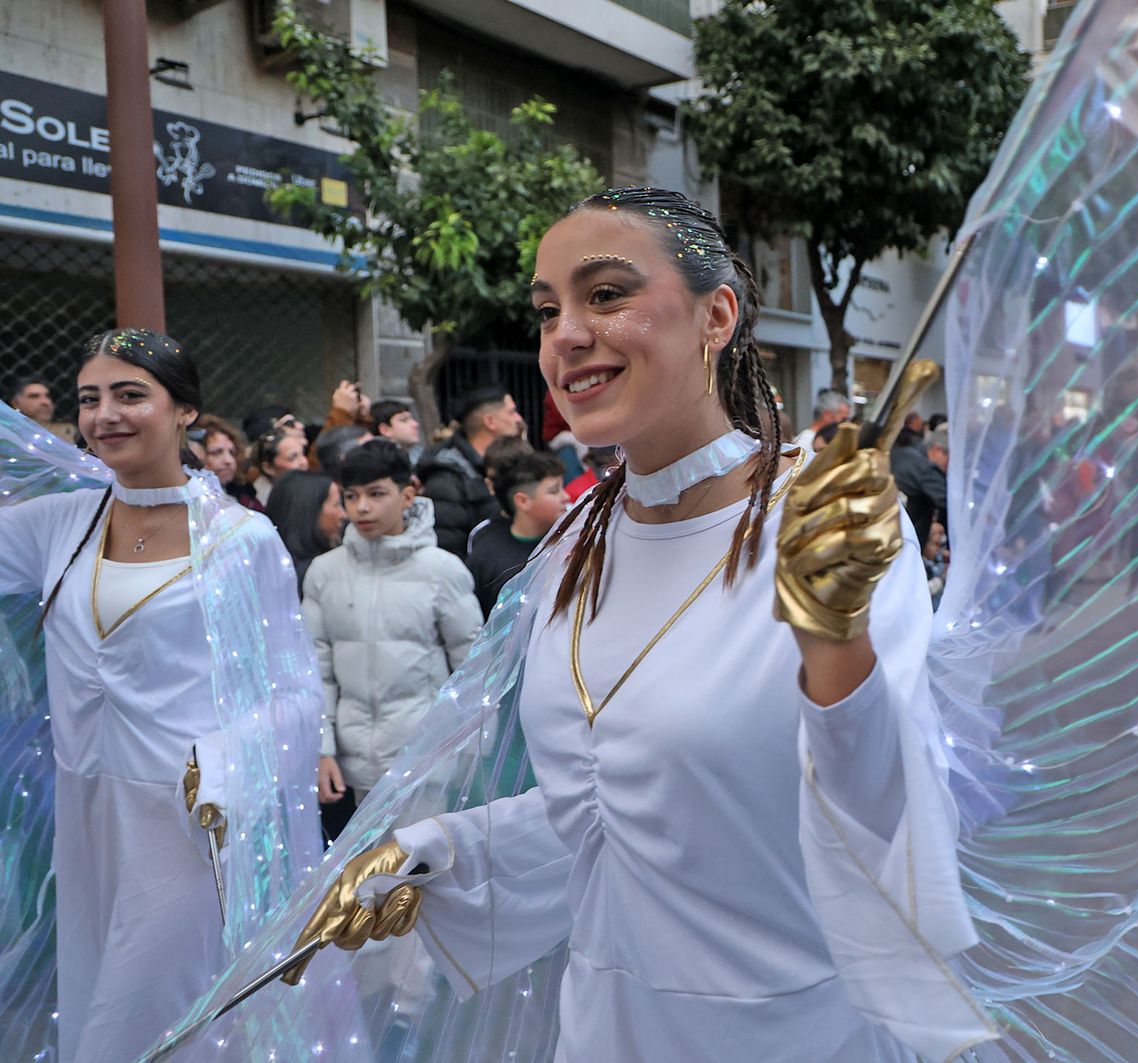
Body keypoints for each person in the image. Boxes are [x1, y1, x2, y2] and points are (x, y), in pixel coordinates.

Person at [282, 187, 986, 1062]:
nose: (565, 335)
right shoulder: (574, 541)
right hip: (603, 1029)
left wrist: (834, 641)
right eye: (547, 311)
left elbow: (891, 822)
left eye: (606, 294)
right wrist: (431, 850)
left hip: (790, 1031)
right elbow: (613, 815)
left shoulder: (825, 518)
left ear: (715, 314)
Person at [0, 328, 327, 1061]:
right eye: (89, 399)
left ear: (184, 412)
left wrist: (223, 769)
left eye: (129, 394)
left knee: (139, 1021)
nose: (104, 414)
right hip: (85, 816)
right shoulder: (60, 525)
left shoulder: (241, 540)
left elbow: (296, 692)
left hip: (187, 822)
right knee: (93, 998)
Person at [306, 440, 480, 812]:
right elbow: (316, 671)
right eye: (351, 496)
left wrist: (469, 754)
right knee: (360, 871)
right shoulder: (325, 572)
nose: (362, 507)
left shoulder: (442, 570)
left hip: (428, 761)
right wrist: (321, 750)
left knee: (422, 867)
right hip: (349, 769)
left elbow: (473, 669)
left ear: (408, 494)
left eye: (376, 493)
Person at [417, 386, 526, 559]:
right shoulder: (446, 475)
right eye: (511, 412)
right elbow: (448, 548)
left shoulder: (513, 463)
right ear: (490, 421)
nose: (518, 419)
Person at [466, 450, 567, 616]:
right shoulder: (487, 557)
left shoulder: (572, 539)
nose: (566, 496)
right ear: (523, 501)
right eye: (554, 491)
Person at [264, 469, 343, 594]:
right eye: (336, 505)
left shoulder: (267, 568)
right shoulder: (320, 573)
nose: (343, 515)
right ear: (311, 510)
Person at [890, 423, 948, 549]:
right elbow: (947, 502)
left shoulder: (901, 454)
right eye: (949, 459)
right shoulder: (928, 470)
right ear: (937, 450)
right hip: (907, 541)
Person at [193, 414, 264, 512]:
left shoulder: (246, 498)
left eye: (232, 452)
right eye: (216, 452)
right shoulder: (190, 505)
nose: (229, 461)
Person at [7, 373, 75, 442]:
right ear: (16, 403)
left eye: (48, 396)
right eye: (34, 396)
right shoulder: (6, 434)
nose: (46, 402)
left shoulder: (69, 431)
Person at [251, 428, 310, 506]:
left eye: (302, 453)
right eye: (293, 457)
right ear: (268, 468)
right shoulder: (259, 504)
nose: (303, 462)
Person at [793, 388, 850, 452]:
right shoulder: (806, 442)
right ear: (827, 415)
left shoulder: (810, 439)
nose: (846, 423)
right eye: (843, 419)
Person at [372, 399, 424, 465]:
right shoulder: (375, 460)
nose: (415, 424)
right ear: (385, 430)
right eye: (404, 420)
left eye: (412, 419)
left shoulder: (419, 454)